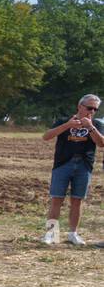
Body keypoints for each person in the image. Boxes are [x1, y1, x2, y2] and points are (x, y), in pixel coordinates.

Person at [42, 94, 104, 245]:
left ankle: (73, 234)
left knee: (77, 200)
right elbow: (46, 136)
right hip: (63, 164)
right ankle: (51, 234)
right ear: (79, 106)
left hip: (84, 165)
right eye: (89, 108)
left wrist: (90, 127)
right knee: (57, 199)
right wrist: (68, 125)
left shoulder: (96, 123)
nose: (92, 111)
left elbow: (101, 143)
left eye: (95, 109)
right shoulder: (64, 121)